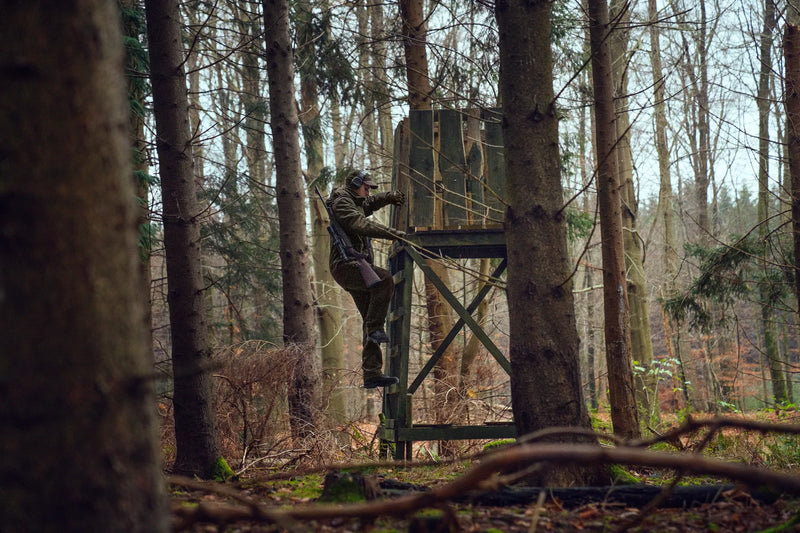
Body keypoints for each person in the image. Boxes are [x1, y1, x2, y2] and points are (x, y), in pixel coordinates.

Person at [327, 169, 406, 388]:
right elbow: (360, 224)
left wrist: (388, 197)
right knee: (385, 281)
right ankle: (375, 330)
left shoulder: (355, 202)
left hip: (356, 267)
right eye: (366, 186)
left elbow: (369, 205)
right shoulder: (342, 204)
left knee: (370, 316)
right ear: (355, 184)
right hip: (346, 266)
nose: (369, 191)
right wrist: (392, 233)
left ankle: (372, 373)